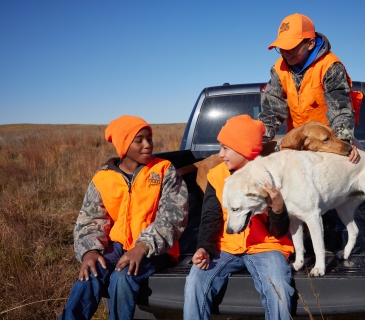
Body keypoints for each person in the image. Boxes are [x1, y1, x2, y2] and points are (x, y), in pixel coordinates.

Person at [58, 115, 189, 320]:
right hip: (117, 245)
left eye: (149, 138)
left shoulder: (163, 170)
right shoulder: (103, 178)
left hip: (155, 249)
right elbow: (91, 219)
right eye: (139, 140)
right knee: (90, 274)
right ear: (124, 145)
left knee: (123, 275)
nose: (148, 145)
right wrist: (90, 251)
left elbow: (174, 216)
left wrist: (142, 247)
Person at [183, 115, 295, 320]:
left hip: (266, 246)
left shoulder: (270, 175)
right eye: (221, 147)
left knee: (278, 287)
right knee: (195, 282)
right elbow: (210, 217)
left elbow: (278, 231)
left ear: (244, 149)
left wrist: (278, 208)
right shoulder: (217, 176)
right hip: (225, 245)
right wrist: (204, 248)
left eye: (225, 148)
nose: (220, 154)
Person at [258, 13, 361, 163]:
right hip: (298, 143)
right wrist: (258, 140)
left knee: (360, 163)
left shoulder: (330, 66)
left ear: (311, 43)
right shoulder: (279, 69)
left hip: (328, 142)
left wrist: (343, 142)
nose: (285, 53)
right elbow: (271, 111)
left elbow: (340, 110)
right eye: (281, 48)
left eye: (291, 47)